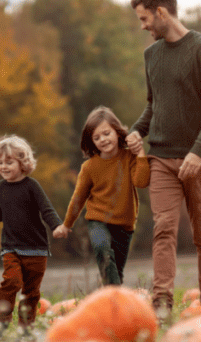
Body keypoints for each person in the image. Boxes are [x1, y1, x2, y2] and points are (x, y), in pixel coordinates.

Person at [126, 0, 201, 314]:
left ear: (162, 13)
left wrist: (198, 152)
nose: (143, 26)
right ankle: (162, 302)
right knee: (163, 229)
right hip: (162, 159)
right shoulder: (151, 55)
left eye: (144, 18)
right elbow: (155, 105)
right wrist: (136, 131)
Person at [52, 106, 149, 286]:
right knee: (103, 252)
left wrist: (140, 153)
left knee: (116, 271)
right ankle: (113, 298)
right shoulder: (89, 168)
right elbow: (78, 198)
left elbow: (141, 182)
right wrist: (66, 225)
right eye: (96, 137)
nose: (102, 139)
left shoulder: (129, 157)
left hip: (125, 225)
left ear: (117, 131)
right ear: (91, 142)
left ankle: (114, 303)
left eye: (106, 133)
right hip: (98, 221)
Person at [0, 135, 63, 340]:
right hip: (11, 247)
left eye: (9, 162)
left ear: (23, 162)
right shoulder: (0, 187)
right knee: (11, 281)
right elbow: (0, 214)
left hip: (36, 248)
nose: (3, 167)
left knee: (30, 292)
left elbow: (46, 209)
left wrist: (57, 226)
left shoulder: (32, 186)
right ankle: (0, 322)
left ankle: (25, 329)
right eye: (0, 163)